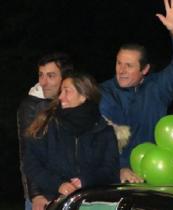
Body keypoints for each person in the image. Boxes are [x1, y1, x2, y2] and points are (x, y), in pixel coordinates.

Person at [100, 0, 173, 183]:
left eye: (129, 65)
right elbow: (102, 140)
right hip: (117, 178)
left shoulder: (157, 88)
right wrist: (120, 167)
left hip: (155, 172)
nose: (121, 70)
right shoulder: (103, 92)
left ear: (145, 70)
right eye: (119, 63)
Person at [23, 72, 119, 208]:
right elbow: (31, 164)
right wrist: (58, 185)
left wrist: (86, 180)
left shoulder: (104, 131)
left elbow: (111, 171)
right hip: (54, 201)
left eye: (67, 91)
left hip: (93, 203)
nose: (61, 97)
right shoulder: (47, 125)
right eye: (61, 91)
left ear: (84, 96)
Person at [17, 52, 74, 210]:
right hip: (45, 196)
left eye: (50, 76)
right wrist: (36, 195)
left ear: (65, 77)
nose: (43, 82)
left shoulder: (76, 101)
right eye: (41, 75)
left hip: (73, 190)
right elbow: (28, 155)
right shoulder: (32, 105)